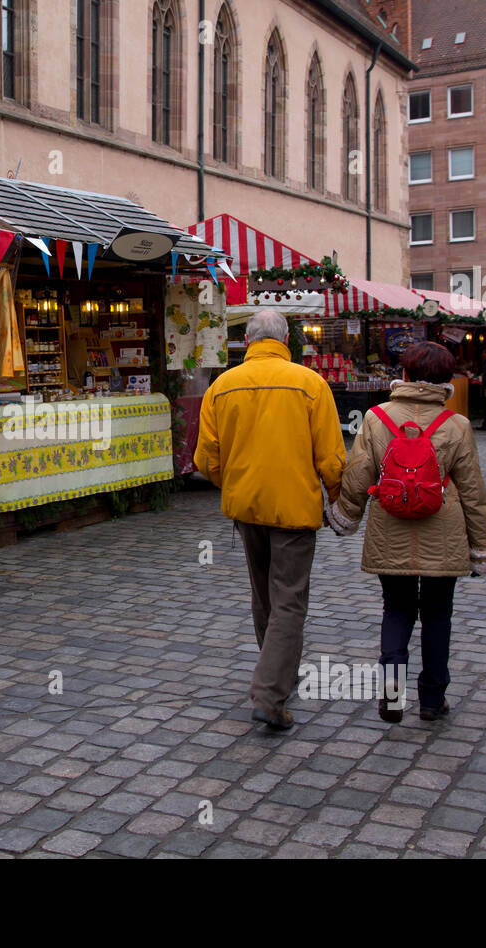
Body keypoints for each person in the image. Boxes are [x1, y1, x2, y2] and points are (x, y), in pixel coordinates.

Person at [194, 308, 346, 733]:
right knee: (289, 599)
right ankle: (270, 693)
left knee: (264, 596)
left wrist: (236, 484)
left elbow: (206, 458)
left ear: (248, 340)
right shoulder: (310, 384)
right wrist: (337, 499)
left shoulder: (221, 386)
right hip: (294, 508)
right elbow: (332, 458)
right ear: (285, 340)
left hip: (247, 507)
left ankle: (275, 676)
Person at [326, 342, 486, 723]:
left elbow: (358, 475)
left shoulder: (377, 417)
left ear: (404, 374)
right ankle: (433, 699)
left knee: (396, 610)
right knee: (438, 615)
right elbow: (472, 491)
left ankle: (392, 696)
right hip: (444, 530)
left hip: (390, 525)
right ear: (446, 381)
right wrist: (481, 546)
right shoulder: (458, 425)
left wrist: (345, 516)